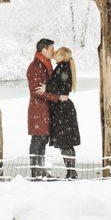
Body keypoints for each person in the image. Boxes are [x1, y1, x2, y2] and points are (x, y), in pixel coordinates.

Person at [36, 47, 81, 179]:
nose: (54, 53)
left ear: (62, 56)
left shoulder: (63, 68)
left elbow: (64, 86)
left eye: (57, 52)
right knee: (65, 142)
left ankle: (72, 172)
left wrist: (47, 87)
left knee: (65, 142)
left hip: (63, 110)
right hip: (61, 108)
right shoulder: (62, 66)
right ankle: (71, 172)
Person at [26, 39, 68, 180]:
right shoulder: (35, 67)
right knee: (37, 140)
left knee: (43, 139)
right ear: (44, 50)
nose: (53, 51)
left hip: (46, 109)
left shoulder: (46, 65)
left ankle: (41, 171)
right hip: (38, 110)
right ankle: (35, 172)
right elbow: (37, 91)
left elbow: (48, 86)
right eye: (51, 49)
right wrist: (57, 97)